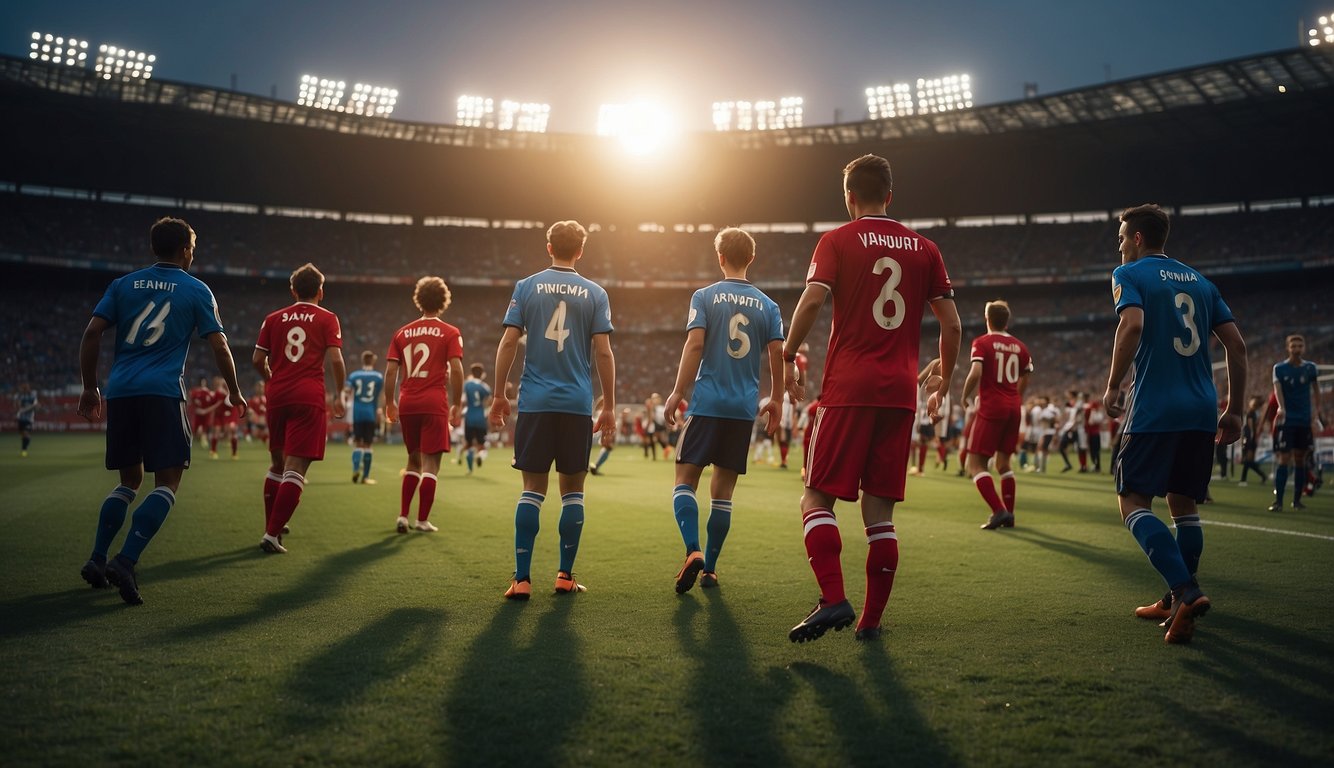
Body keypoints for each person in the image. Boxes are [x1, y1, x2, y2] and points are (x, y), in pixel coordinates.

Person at [781, 154, 961, 643]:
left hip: (848, 387)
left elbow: (814, 299)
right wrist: (945, 376)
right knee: (879, 513)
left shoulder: (837, 239)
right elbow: (953, 324)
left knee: (816, 496)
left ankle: (833, 598)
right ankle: (872, 621)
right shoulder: (925, 248)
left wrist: (789, 354)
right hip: (900, 393)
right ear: (890, 196)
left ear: (849, 198)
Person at [76, 217, 246, 605]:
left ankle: (98, 558)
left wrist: (90, 386)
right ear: (186, 249)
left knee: (128, 480)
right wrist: (235, 391)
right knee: (167, 482)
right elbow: (219, 346)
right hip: (163, 393)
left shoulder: (123, 284)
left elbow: (91, 333)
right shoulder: (197, 289)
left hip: (121, 393)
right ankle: (126, 560)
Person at [1102, 203, 1246, 645]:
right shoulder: (1202, 282)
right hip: (1202, 408)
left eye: (1123, 236)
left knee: (1132, 501)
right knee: (1184, 505)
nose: (1121, 244)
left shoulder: (1128, 275)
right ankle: (1174, 600)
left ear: (1139, 238)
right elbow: (1237, 347)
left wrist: (1112, 385)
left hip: (1155, 408)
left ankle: (1185, 591)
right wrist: (1236, 409)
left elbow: (1131, 325)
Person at [491, 220, 616, 600]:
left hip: (535, 402)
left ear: (549, 247)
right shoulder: (595, 292)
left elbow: (509, 341)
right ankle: (564, 576)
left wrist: (499, 394)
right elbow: (604, 352)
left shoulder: (527, 286)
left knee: (532, 489)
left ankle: (522, 579)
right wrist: (608, 405)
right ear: (580, 250)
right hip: (577, 405)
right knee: (573, 492)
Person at [661, 227, 784, 593]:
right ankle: (711, 569)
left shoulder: (704, 296)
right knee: (724, 491)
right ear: (752, 258)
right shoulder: (769, 305)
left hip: (708, 401)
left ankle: (693, 550)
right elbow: (777, 351)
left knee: (685, 479)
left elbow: (695, 344)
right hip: (743, 407)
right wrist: (775, 397)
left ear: (720, 257)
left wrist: (677, 390)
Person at [253, 263, 346, 554]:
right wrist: (339, 393)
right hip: (308, 395)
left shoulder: (273, 318)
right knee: (296, 467)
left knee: (277, 463)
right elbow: (336, 360)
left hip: (277, 394)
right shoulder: (328, 318)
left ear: (293, 290)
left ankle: (274, 526)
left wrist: (272, 379)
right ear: (321, 291)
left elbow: (257, 359)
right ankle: (270, 534)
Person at [384, 277, 464, 533]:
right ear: (444, 301)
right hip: (433, 401)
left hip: (408, 401)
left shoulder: (401, 332)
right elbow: (458, 370)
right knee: (431, 465)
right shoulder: (450, 332)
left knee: (413, 460)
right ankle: (421, 520)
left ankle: (402, 515)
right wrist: (457, 403)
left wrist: (389, 402)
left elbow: (390, 372)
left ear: (418, 300)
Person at [961, 300, 1033, 530]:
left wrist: (965, 394)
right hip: (1014, 407)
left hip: (992, 406)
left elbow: (976, 371)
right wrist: (1015, 396)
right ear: (1007, 320)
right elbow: (1027, 374)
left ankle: (998, 510)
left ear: (987, 319)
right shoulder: (1021, 346)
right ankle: (1009, 515)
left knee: (975, 464)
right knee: (1003, 462)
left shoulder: (982, 342)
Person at [1270, 334, 1323, 511]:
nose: (1297, 348)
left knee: (1300, 460)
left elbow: (1316, 391)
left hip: (1304, 420)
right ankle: (1278, 502)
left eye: (1300, 345)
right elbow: (1278, 391)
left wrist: (1316, 414)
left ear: (1304, 347)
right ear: (1288, 347)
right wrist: (1281, 408)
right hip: (1288, 419)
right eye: (1294, 345)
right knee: (1284, 459)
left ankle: (1297, 501)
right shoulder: (1279, 368)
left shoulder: (1311, 368)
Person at [345, 350, 385, 484]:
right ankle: (365, 477)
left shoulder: (354, 376)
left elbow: (346, 392)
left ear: (363, 360)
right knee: (368, 445)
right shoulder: (378, 377)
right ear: (373, 361)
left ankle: (356, 468)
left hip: (357, 414)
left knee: (358, 443)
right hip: (370, 414)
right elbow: (380, 396)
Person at [462, 363, 492, 474]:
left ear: (472, 373)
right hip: (480, 418)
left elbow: (463, 401)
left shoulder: (467, 385)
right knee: (482, 445)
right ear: (482, 374)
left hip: (469, 417)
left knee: (469, 444)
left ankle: (470, 469)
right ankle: (479, 455)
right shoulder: (484, 387)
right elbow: (489, 401)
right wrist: (487, 412)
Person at [1238, 395, 1266, 486]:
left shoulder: (1250, 413)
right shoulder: (1254, 413)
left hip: (1249, 439)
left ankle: (1243, 479)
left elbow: (1250, 428)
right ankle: (1262, 475)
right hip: (1252, 439)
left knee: (1247, 461)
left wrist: (1251, 438)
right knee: (1249, 462)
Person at [213, 376, 241, 460]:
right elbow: (215, 402)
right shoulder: (218, 393)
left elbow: (232, 400)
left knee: (232, 430)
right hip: (221, 414)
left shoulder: (233, 391)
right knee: (218, 432)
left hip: (232, 413)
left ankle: (234, 453)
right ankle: (213, 451)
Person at [15, 382, 37, 457]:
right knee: (23, 435)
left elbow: (35, 405)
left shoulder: (32, 396)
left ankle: (24, 450)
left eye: (27, 388)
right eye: (24, 388)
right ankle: (24, 447)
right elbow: (18, 406)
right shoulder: (20, 396)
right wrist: (21, 409)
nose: (26, 389)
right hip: (21, 418)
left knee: (25, 433)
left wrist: (28, 408)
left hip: (29, 419)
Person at [249, 380, 269, 444]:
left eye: (262, 387)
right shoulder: (252, 400)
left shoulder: (268, 398)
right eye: (258, 387)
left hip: (267, 421)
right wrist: (254, 416)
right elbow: (250, 410)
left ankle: (266, 437)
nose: (260, 389)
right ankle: (264, 438)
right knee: (255, 433)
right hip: (257, 421)